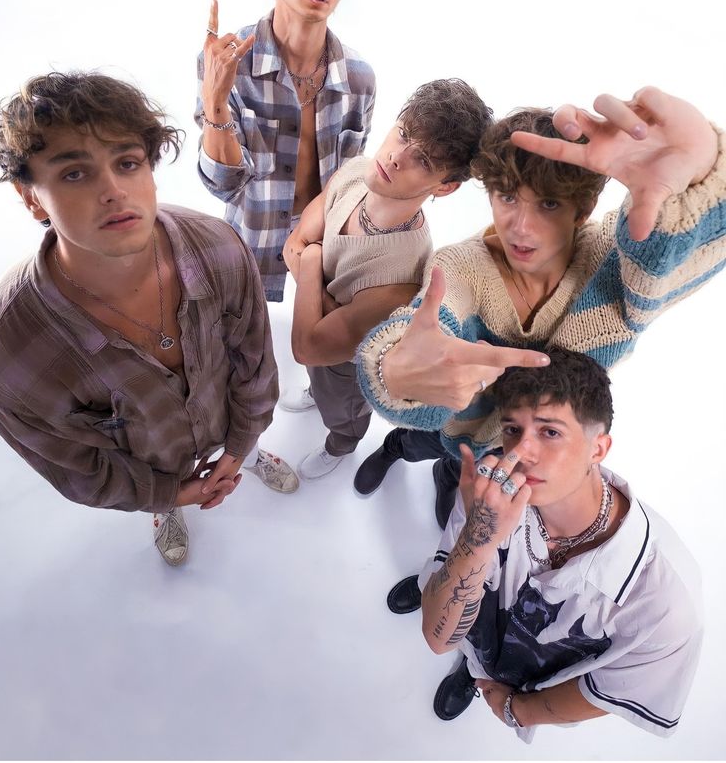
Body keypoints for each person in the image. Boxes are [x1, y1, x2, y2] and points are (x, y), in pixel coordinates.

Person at [354, 87, 726, 535]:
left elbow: (662, 258)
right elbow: (421, 326)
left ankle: (446, 478)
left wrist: (705, 170)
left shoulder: (609, 262)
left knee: (461, 477)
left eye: (548, 204)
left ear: (583, 208)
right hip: (452, 423)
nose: (521, 227)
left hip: (508, 446)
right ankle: (394, 448)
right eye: (507, 197)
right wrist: (393, 372)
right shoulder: (462, 267)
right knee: (422, 443)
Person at [0, 71, 287, 566]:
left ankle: (249, 457)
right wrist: (168, 493)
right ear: (29, 196)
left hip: (227, 422)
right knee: (167, 492)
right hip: (153, 463)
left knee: (245, 442)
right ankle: (167, 510)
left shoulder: (219, 248)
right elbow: (79, 469)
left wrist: (241, 443)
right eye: (74, 173)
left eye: (127, 162)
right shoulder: (9, 356)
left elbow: (254, 362)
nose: (113, 191)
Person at [418, 348, 702, 740]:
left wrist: (516, 710)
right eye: (512, 429)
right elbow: (436, 637)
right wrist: (477, 539)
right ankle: (473, 669)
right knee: (468, 638)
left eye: (549, 432)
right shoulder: (492, 489)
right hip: (477, 626)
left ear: (598, 448)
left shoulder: (666, 601)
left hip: (534, 673)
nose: (519, 453)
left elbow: (615, 685)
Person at [283, 80, 540, 480]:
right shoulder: (356, 172)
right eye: (402, 133)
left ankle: (340, 444)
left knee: (343, 411)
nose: (396, 156)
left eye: (422, 159)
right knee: (319, 384)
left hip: (348, 370)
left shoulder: (402, 276)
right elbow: (291, 242)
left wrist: (313, 257)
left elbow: (307, 345)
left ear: (446, 186)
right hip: (326, 345)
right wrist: (321, 295)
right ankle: (316, 396)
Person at [195, 0, 374, 317]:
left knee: (341, 372)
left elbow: (350, 184)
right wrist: (214, 102)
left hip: (328, 249)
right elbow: (222, 185)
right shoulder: (228, 62)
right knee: (236, 368)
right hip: (249, 243)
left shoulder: (359, 78)